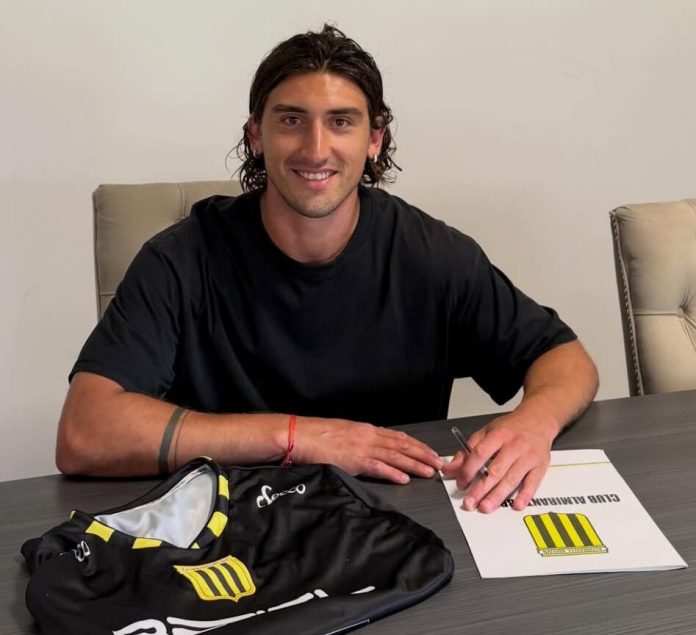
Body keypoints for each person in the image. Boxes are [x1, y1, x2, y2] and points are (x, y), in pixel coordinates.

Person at [56, 24, 598, 513]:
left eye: (341, 122)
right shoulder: (180, 259)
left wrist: (533, 424)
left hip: (394, 519)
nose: (316, 149)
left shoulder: (430, 255)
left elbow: (565, 358)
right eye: (291, 120)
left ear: (374, 139)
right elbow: (84, 433)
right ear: (256, 134)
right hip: (228, 524)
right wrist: (299, 437)